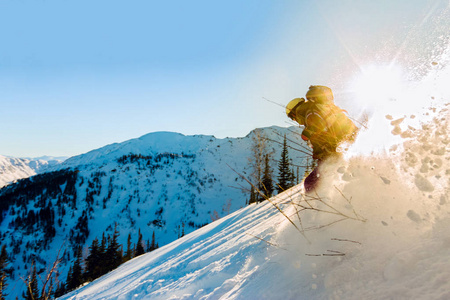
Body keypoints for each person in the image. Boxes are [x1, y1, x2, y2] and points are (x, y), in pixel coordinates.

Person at [286, 85, 358, 191]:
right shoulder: (321, 108)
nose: (295, 120)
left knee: (310, 183)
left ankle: (317, 205)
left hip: (332, 152)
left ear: (295, 112)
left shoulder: (308, 112)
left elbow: (318, 123)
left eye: (293, 118)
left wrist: (307, 133)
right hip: (343, 146)